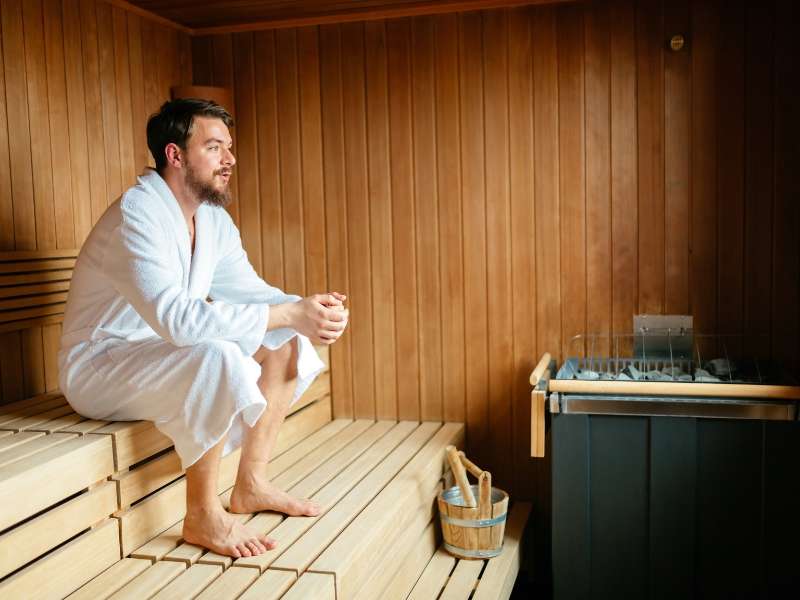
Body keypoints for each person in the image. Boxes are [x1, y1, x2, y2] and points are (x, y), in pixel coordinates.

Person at [58, 98, 348, 558]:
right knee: (217, 352)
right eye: (214, 148)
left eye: (228, 148)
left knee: (282, 338)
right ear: (175, 155)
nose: (229, 159)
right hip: (100, 365)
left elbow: (251, 293)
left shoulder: (212, 219)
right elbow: (178, 320)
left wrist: (308, 310)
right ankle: (201, 514)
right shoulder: (138, 214)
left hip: (159, 356)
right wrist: (289, 313)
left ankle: (251, 483)